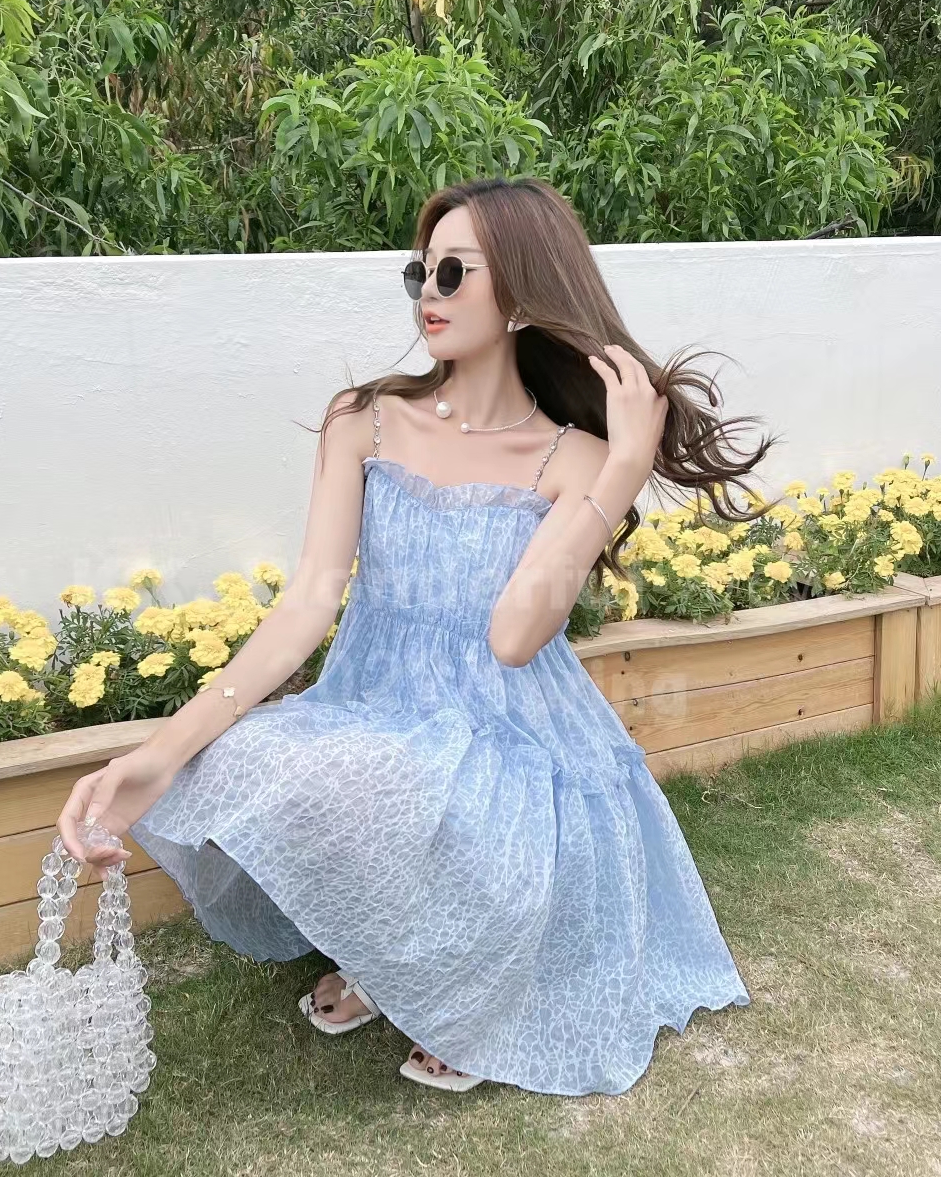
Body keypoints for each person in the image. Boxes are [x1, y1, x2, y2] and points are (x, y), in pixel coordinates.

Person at [57, 176, 776, 1097]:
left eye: (453, 273)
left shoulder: (580, 459)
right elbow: (307, 606)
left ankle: (464, 996)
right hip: (377, 704)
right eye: (420, 273)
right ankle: (390, 961)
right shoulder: (364, 419)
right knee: (275, 759)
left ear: (522, 292)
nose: (428, 295)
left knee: (454, 803)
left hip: (509, 728)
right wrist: (156, 757)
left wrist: (627, 465)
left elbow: (514, 637)